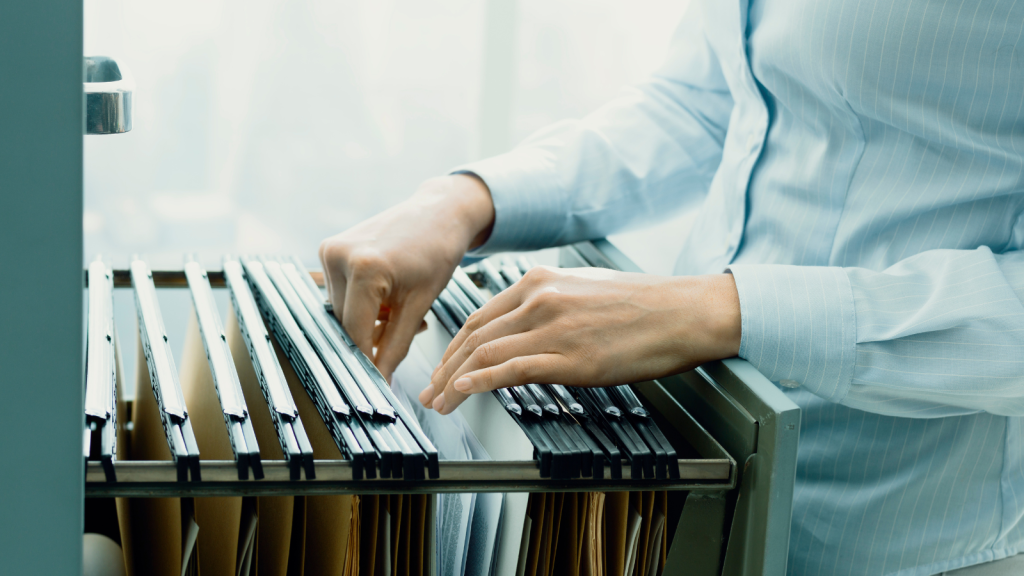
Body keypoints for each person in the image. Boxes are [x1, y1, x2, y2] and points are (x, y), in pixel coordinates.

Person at [318, 0, 1024, 574]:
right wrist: (466, 201)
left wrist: (719, 310)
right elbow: (708, 99)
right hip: (696, 476)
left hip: (899, 539)